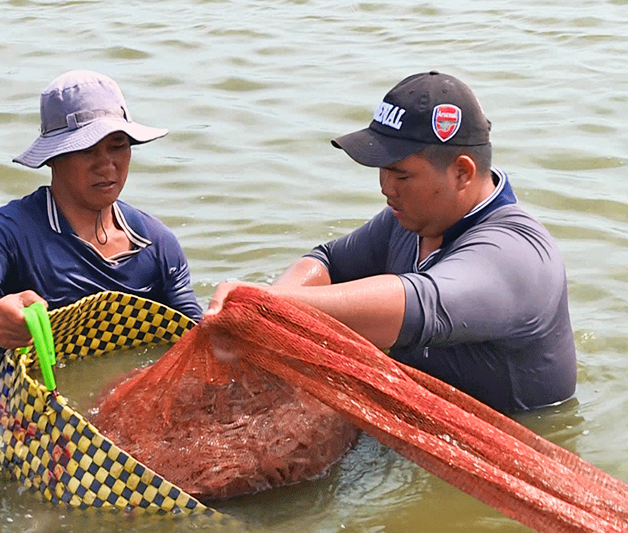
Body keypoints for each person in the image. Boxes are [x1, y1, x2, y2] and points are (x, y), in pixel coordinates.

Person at [207, 71, 576, 413]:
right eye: (382, 171)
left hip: (505, 445)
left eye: (400, 174)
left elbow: (419, 303)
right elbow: (328, 262)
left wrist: (264, 305)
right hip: (410, 412)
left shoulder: (517, 253)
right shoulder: (411, 220)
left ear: (462, 172)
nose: (385, 188)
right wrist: (263, 327)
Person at [0, 70, 202, 386]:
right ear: (53, 158)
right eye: (87, 149)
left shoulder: (156, 244)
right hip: (24, 396)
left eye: (117, 146)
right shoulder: (7, 232)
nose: (106, 165)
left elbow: (193, 332)